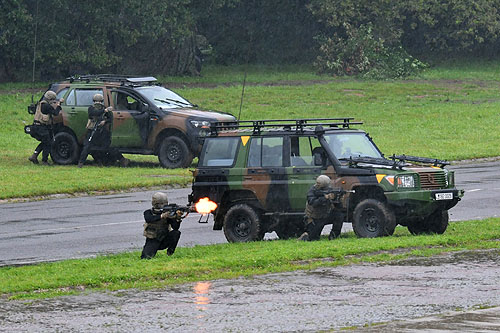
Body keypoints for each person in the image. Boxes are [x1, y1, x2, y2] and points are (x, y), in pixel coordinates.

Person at [77, 93, 129, 168]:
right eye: (96, 101)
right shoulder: (91, 108)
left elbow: (110, 118)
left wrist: (104, 121)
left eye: (99, 102)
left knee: (108, 147)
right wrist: (104, 111)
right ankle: (81, 163)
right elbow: (94, 113)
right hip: (92, 131)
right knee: (87, 147)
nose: (98, 103)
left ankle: (121, 160)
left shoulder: (104, 109)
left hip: (102, 132)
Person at [299, 175, 344, 241]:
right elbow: (313, 203)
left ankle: (334, 236)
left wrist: (338, 199)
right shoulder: (312, 191)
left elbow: (339, 207)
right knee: (314, 238)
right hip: (314, 218)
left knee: (339, 215)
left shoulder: (329, 190)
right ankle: (305, 237)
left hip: (325, 215)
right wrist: (324, 198)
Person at [141, 192, 184, 259]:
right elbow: (149, 219)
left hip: (164, 239)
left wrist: (178, 218)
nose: (163, 205)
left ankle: (170, 252)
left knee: (176, 233)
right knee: (146, 258)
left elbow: (175, 227)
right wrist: (162, 216)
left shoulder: (167, 214)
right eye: (161, 203)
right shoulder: (148, 212)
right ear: (155, 203)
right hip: (153, 240)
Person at [28, 90, 63, 165]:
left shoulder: (40, 104)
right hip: (41, 127)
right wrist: (59, 105)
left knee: (44, 142)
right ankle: (44, 160)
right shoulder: (47, 106)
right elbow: (55, 113)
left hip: (36, 126)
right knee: (48, 143)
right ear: (50, 99)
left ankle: (34, 156)